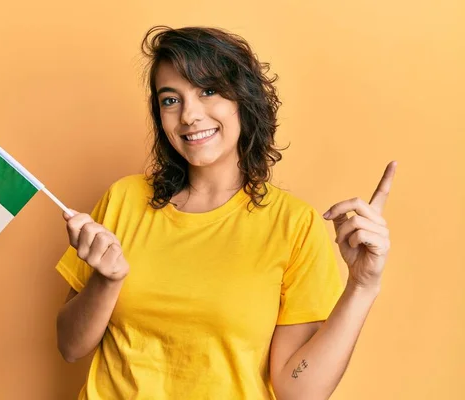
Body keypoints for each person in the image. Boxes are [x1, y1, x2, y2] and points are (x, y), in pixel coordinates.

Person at [54, 25, 397, 400]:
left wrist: (362, 288)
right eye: (171, 100)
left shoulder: (292, 224)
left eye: (208, 91)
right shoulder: (123, 199)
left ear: (243, 100)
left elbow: (298, 391)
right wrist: (107, 280)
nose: (189, 115)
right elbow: (70, 347)